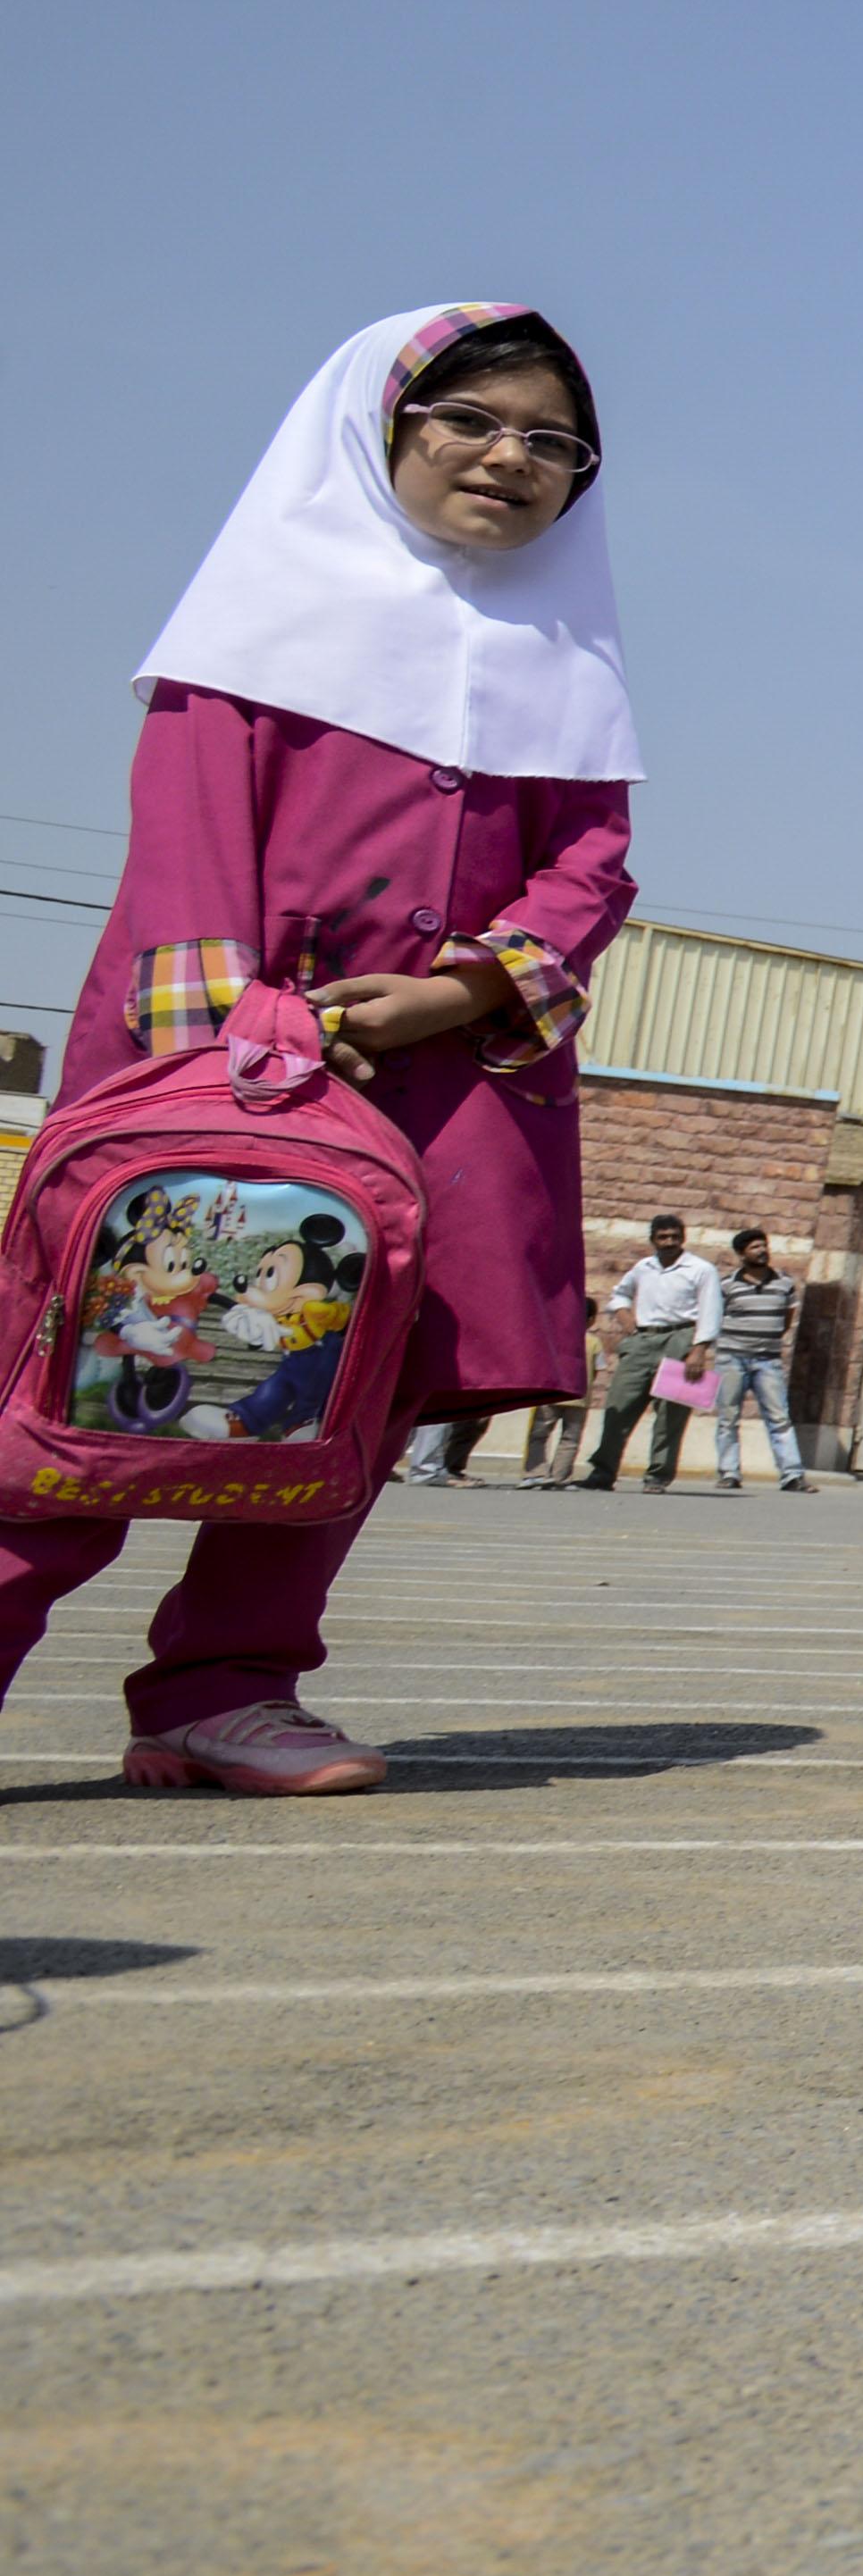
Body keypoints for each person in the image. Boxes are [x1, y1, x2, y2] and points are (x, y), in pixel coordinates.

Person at [3, 309, 634, 1792]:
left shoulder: (566, 660)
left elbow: (594, 863)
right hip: (220, 1059)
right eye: (470, 420)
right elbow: (189, 847)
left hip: (445, 1083)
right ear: (382, 427)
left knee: (351, 1383)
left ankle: (226, 1683)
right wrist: (249, 1046)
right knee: (121, 1358)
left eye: (553, 442)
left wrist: (468, 990)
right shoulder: (256, 627)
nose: (510, 458)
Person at [576, 1211, 721, 1488]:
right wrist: (626, 1319)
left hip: (681, 1338)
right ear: (653, 1239)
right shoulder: (644, 1267)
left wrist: (699, 1351)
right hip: (642, 1339)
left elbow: (711, 1311)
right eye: (663, 1237)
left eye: (675, 1237)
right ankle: (603, 1472)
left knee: (671, 1414)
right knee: (619, 1405)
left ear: (683, 1239)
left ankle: (658, 1476)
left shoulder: (700, 1269)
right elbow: (620, 1294)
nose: (669, 1242)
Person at [708, 1229, 817, 1487]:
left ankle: (792, 1474)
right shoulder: (726, 1285)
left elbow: (786, 1318)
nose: (761, 1250)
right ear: (741, 1254)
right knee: (728, 1417)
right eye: (754, 1247)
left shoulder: (783, 1283)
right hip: (732, 1359)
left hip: (768, 1360)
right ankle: (729, 1473)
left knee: (779, 1417)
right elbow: (715, 1318)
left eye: (763, 1245)